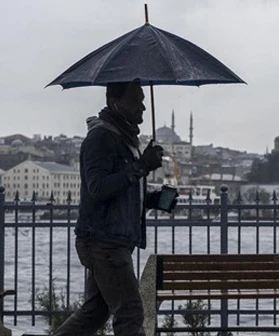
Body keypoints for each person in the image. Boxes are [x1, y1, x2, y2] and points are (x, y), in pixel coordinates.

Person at [53, 80, 175, 335]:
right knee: (130, 313)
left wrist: (156, 199)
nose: (143, 106)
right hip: (103, 242)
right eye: (136, 100)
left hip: (110, 240)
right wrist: (142, 166)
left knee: (95, 312)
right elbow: (98, 189)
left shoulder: (123, 139)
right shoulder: (101, 138)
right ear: (115, 103)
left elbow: (123, 192)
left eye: (143, 99)